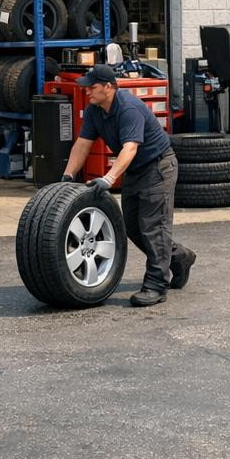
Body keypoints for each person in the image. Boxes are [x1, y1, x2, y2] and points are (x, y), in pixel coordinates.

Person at [62, 63, 196, 307]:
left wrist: (109, 178)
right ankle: (179, 257)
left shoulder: (129, 108)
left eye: (91, 87)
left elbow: (130, 147)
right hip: (135, 170)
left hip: (158, 167)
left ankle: (156, 285)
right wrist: (68, 176)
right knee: (133, 228)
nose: (86, 92)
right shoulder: (95, 110)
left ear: (109, 87)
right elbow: (83, 144)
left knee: (153, 227)